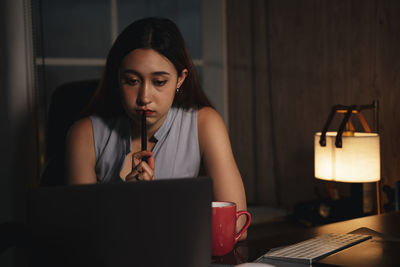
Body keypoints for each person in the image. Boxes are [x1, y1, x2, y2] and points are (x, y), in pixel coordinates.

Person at [65, 17, 248, 239]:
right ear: (117, 78)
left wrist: (152, 207)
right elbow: (78, 235)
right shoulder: (84, 134)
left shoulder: (205, 124)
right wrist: (125, 198)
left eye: (159, 82)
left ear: (180, 79)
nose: (144, 97)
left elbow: (237, 225)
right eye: (132, 81)